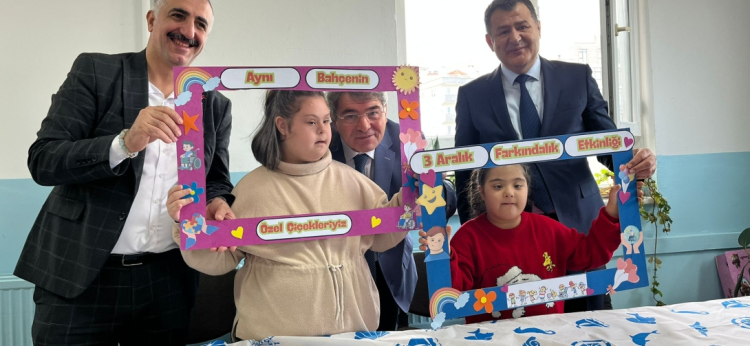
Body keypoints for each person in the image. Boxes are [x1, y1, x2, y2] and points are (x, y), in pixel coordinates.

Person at [15, 0, 234, 345]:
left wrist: (216, 201)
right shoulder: (97, 72)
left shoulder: (215, 104)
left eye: (201, 24)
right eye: (178, 15)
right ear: (151, 20)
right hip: (82, 275)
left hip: (168, 281)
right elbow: (44, 160)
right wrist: (124, 143)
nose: (189, 31)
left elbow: (217, 180)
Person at [454, 0, 656, 311]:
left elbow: (607, 144)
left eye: (522, 26)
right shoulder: (472, 95)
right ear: (490, 41)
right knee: (519, 322)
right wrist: (476, 235)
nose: (515, 37)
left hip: (579, 228)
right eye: (503, 31)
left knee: (590, 321)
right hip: (507, 235)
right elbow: (466, 170)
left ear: (538, 27)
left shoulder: (576, 77)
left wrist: (635, 164)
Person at [167, 90, 407, 341]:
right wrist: (186, 224)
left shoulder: (355, 182)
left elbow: (382, 237)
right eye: (311, 122)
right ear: (282, 125)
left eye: (326, 120)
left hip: (352, 334)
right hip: (271, 337)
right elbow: (220, 261)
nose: (323, 130)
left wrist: (411, 198)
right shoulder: (250, 190)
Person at [422, 164, 621, 323]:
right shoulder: (467, 237)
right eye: (498, 186)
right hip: (490, 339)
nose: (509, 192)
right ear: (482, 192)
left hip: (549, 334)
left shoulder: (549, 229)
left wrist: (611, 214)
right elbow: (453, 292)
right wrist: (444, 256)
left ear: (527, 189)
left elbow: (590, 254)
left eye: (517, 186)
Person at [327, 91, 457, 330]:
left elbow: (444, 190)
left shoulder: (406, 140)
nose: (364, 125)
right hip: (336, 269)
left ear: (385, 112)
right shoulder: (321, 144)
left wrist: (433, 192)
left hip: (390, 265)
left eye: (373, 113)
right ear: (334, 120)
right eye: (351, 115)